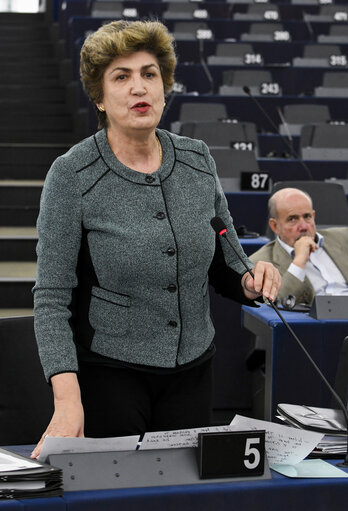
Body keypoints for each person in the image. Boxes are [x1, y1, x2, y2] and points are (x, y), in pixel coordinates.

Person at [31, 20, 280, 458]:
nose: (138, 88)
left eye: (149, 74)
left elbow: (226, 260)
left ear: (165, 87)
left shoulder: (197, 159)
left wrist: (251, 277)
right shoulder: (72, 175)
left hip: (195, 371)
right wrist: (67, 400)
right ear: (99, 98)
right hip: (110, 376)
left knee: (180, 497)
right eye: (121, 77)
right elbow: (52, 298)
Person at [249, 187, 348, 306]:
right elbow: (271, 307)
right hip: (320, 322)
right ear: (275, 226)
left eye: (307, 217)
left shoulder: (344, 238)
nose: (303, 226)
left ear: (314, 216)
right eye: (292, 219)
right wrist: (299, 263)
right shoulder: (260, 262)